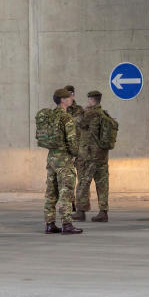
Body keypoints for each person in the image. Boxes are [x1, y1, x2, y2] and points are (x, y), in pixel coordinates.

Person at [42, 88, 82, 235]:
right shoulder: (66, 118)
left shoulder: (50, 116)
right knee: (66, 191)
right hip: (64, 160)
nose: (72, 98)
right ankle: (67, 224)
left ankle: (49, 224)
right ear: (63, 100)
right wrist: (76, 154)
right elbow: (71, 141)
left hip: (51, 158)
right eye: (69, 97)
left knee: (51, 192)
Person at [73, 90, 110, 223]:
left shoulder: (88, 114)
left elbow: (75, 123)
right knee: (102, 184)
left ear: (90, 99)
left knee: (83, 183)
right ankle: (103, 212)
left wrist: (81, 111)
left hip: (88, 156)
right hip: (102, 156)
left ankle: (81, 211)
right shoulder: (104, 115)